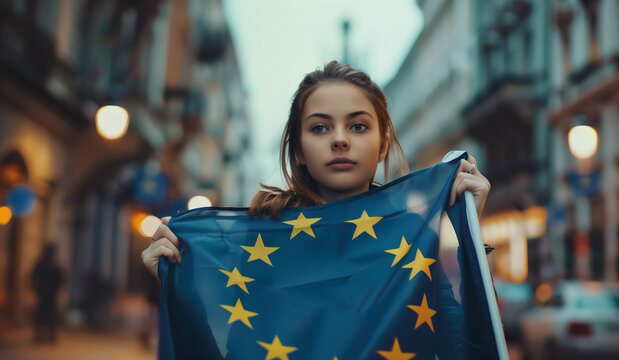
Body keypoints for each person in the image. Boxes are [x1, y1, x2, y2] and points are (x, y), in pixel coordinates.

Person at [141, 61, 491, 356]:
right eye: (320, 127)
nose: (340, 139)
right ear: (299, 151)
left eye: (358, 126)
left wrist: (470, 235)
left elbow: (465, 349)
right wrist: (178, 286)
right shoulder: (265, 235)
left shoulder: (410, 237)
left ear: (382, 145)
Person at [31, 244, 64, 343]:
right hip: (50, 294)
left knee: (41, 314)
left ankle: (39, 335)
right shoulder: (54, 264)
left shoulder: (41, 262)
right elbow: (60, 278)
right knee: (50, 314)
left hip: (43, 292)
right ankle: (50, 335)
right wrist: (56, 289)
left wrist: (37, 287)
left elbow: (33, 275)